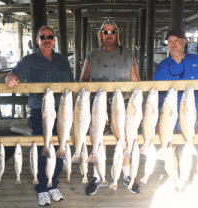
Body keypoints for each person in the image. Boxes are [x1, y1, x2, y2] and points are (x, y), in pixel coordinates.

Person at [5, 25, 74, 206]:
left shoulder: (62, 60)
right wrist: (9, 78)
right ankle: (42, 189)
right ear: (37, 40)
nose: (46, 40)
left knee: (60, 147)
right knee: (41, 149)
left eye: (50, 37)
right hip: (39, 111)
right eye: (42, 37)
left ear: (54, 39)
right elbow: (13, 74)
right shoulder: (29, 60)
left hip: (61, 111)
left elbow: (71, 85)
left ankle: (53, 184)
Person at [80, 19, 140, 195]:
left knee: (126, 139)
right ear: (101, 35)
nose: (109, 35)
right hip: (99, 103)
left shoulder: (129, 54)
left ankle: (127, 176)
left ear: (117, 35)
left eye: (112, 32)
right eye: (105, 32)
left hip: (124, 103)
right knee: (98, 139)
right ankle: (97, 177)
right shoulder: (91, 55)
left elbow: (135, 81)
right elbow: (84, 80)